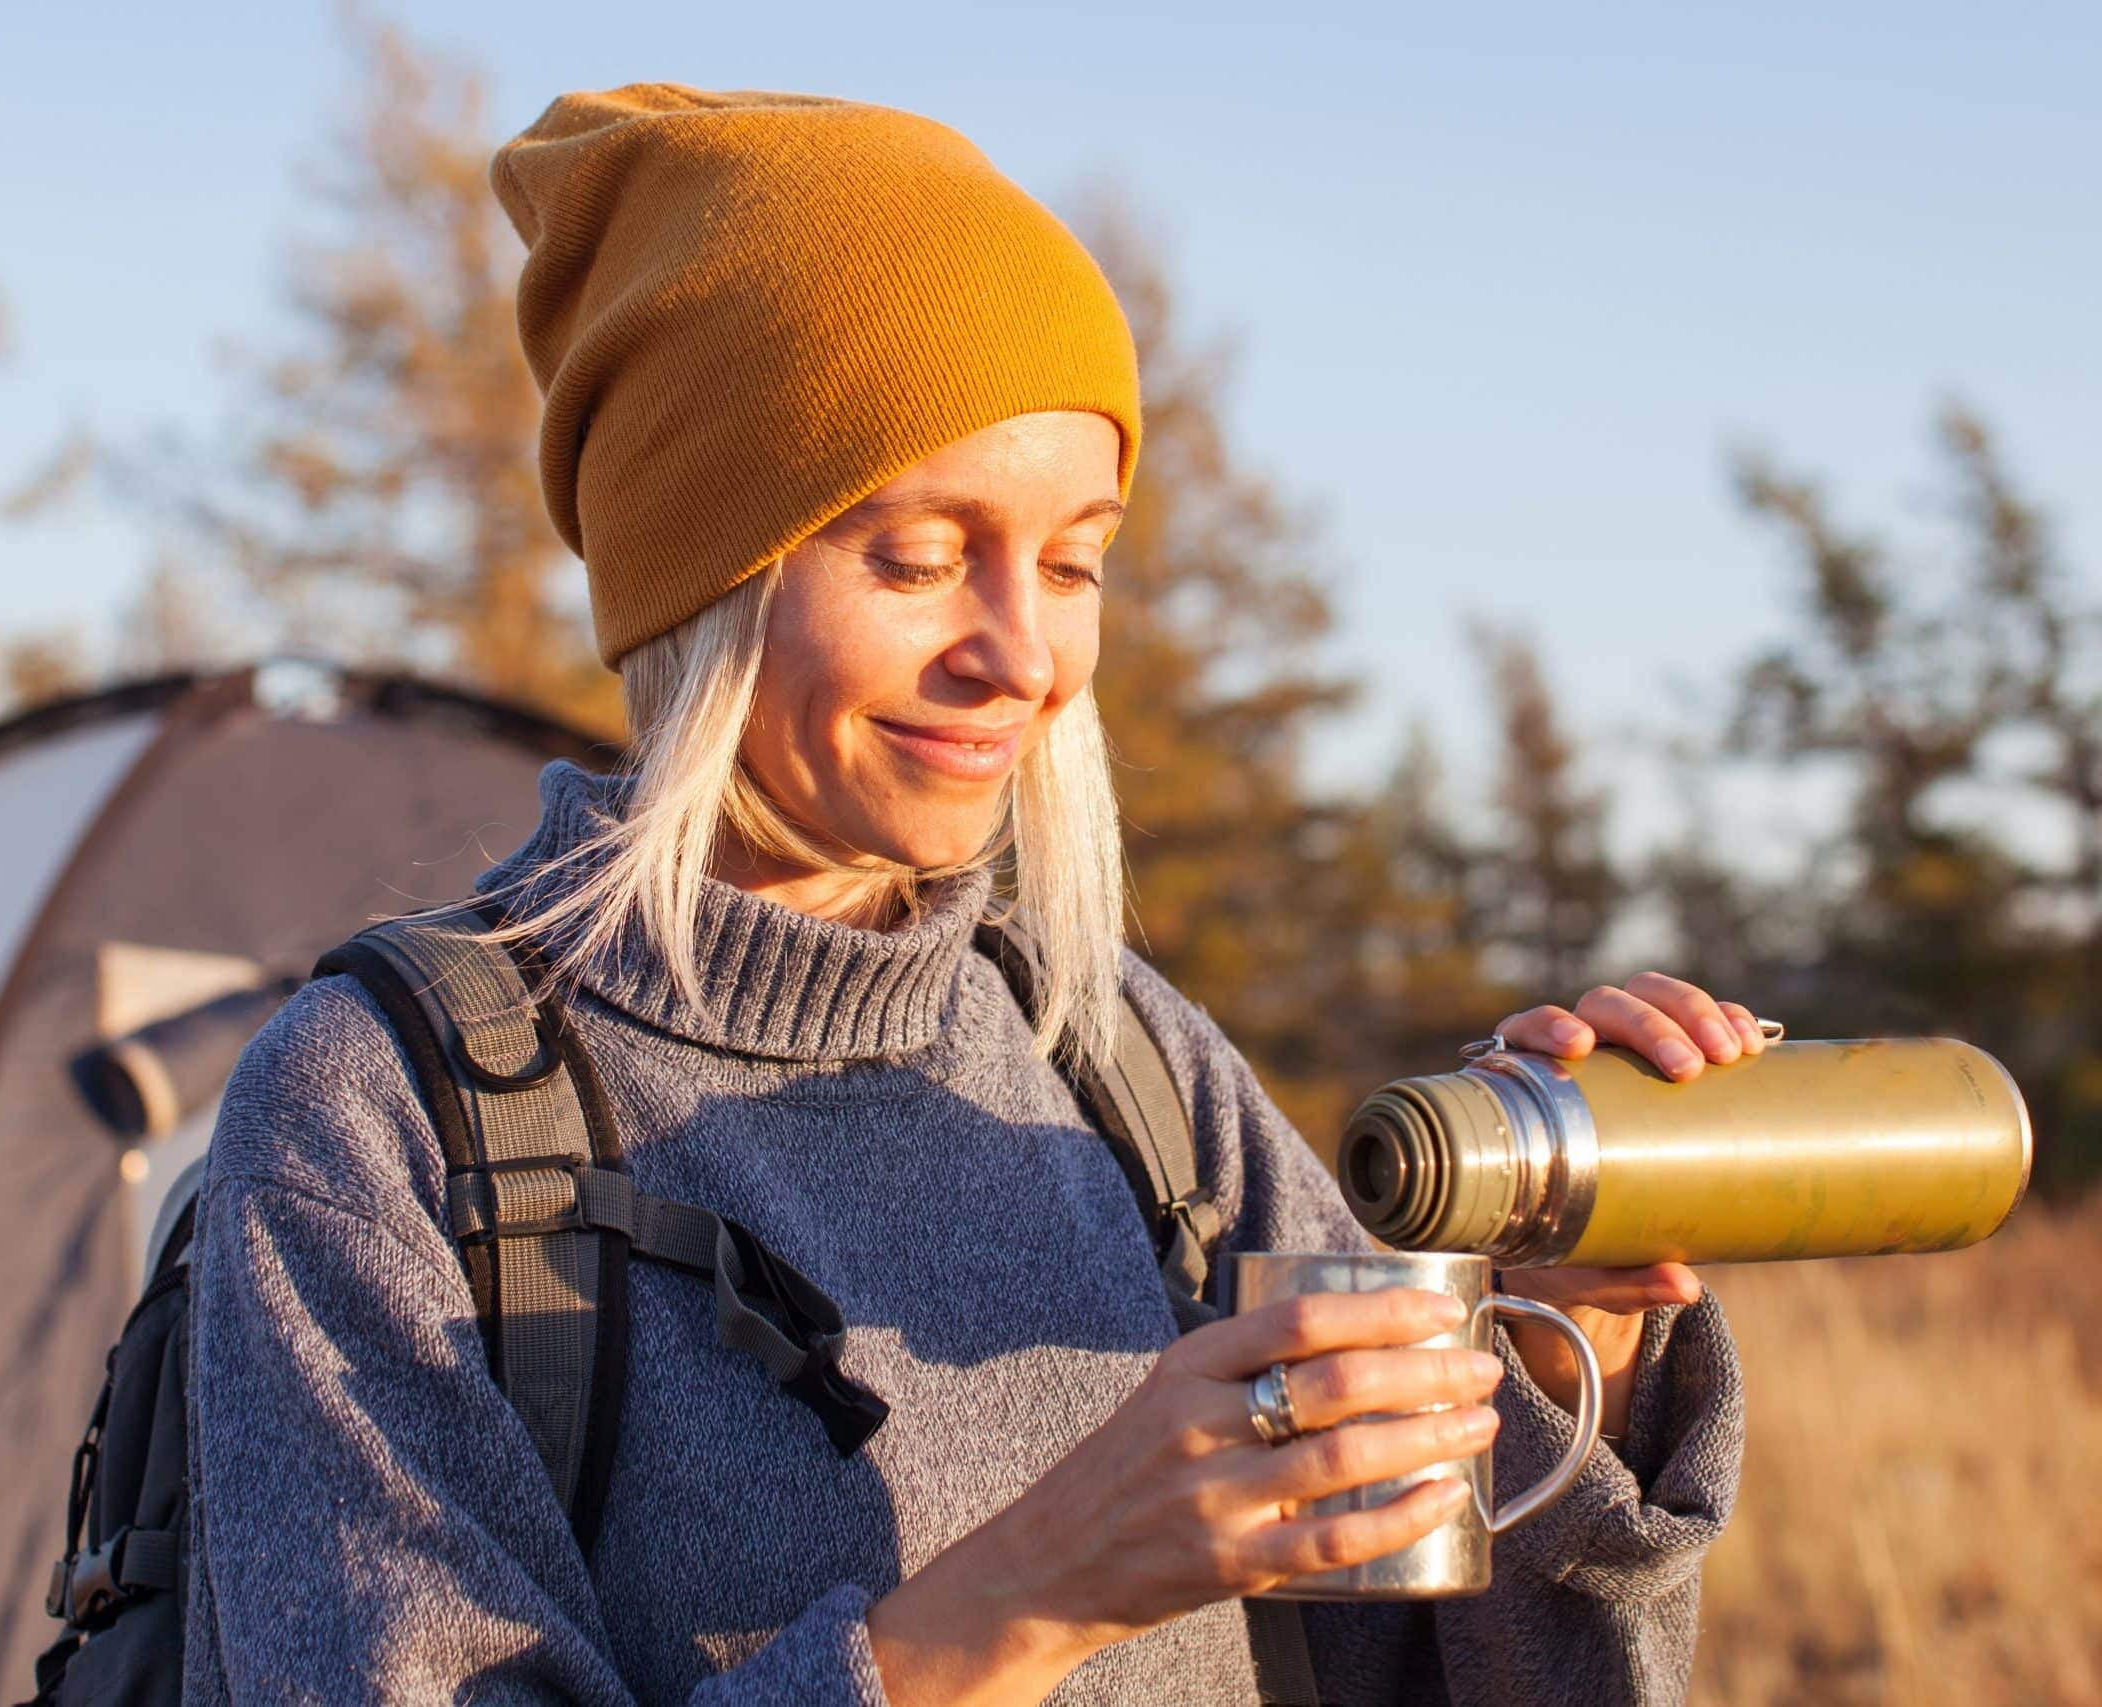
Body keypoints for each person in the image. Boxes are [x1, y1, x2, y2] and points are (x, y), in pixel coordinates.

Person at [182, 84, 1744, 1706]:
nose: (1023, 657)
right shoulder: (385, 1116)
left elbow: (1456, 1680)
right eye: (920, 557)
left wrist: (1579, 1355)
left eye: (1074, 561)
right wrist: (1036, 1592)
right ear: (704, 574)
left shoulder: (1118, 1056)